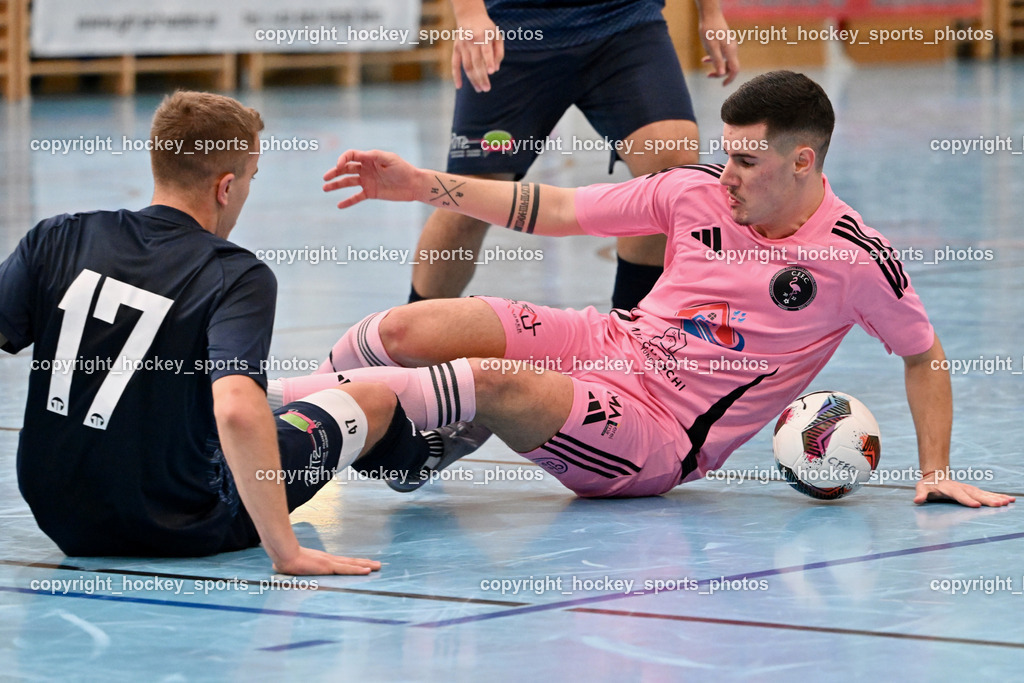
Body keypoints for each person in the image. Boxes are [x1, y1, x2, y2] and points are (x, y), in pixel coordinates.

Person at [282, 70, 1013, 508]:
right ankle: (351, 432)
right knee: (404, 331)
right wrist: (420, 185)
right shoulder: (695, 191)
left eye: (747, 159)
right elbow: (560, 210)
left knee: (490, 382)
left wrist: (937, 470)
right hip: (608, 341)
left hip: (659, 434)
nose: (726, 173)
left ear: (803, 161)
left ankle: (265, 423)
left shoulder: (854, 259)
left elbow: (923, 352)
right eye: (727, 154)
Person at [0, 91, 479, 575]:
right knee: (372, 397)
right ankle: (421, 456)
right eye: (252, 178)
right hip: (189, 521)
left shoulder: (57, 236)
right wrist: (286, 552)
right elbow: (234, 409)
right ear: (225, 187)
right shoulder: (235, 274)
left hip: (60, 516)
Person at [408, 0, 740, 310]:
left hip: (624, 20)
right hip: (514, 25)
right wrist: (469, 15)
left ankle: (631, 337)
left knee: (669, 173)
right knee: (468, 196)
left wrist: (710, 12)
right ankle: (406, 339)